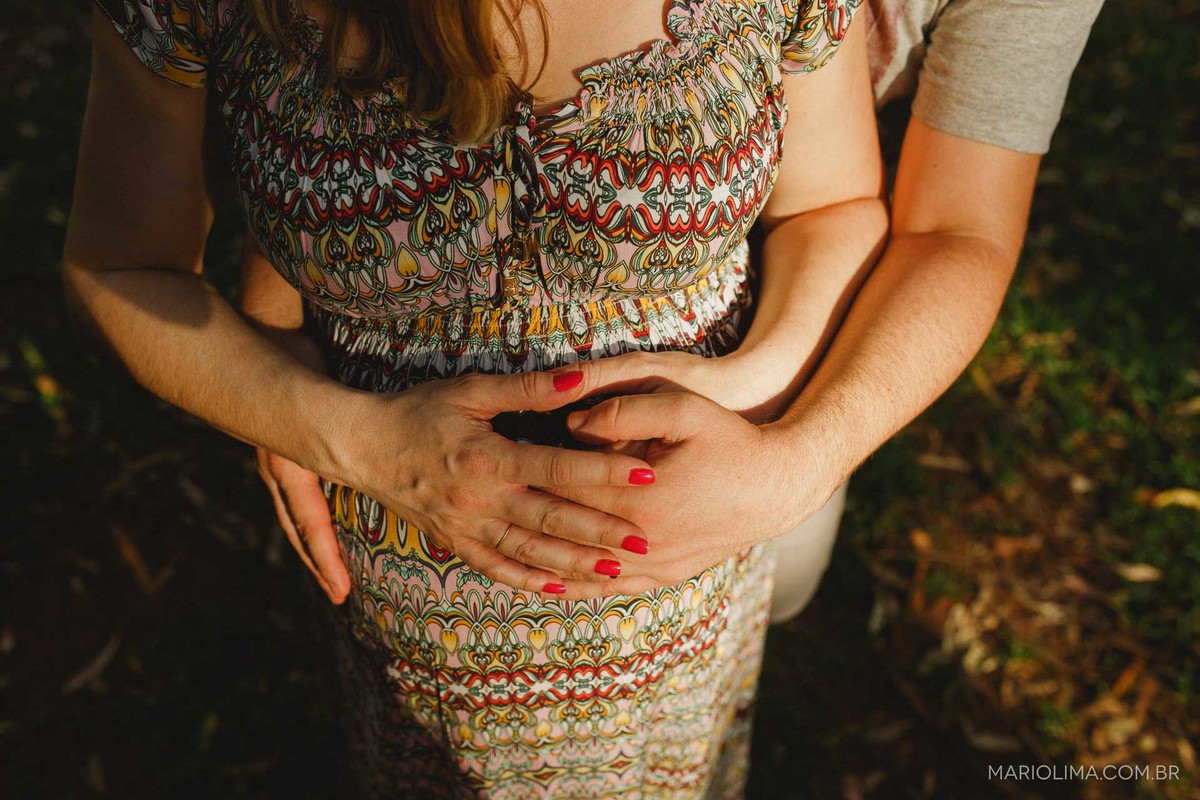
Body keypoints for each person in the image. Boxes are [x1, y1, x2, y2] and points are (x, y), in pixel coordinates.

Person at [64, 0, 885, 796]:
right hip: (410, 601)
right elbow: (119, 265)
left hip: (689, 582)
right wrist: (344, 435)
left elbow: (831, 204)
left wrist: (754, 395)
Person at [251, 0, 1109, 628]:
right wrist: (284, 352)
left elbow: (956, 231)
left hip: (809, 244)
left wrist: (796, 458)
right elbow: (329, 105)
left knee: (782, 571)